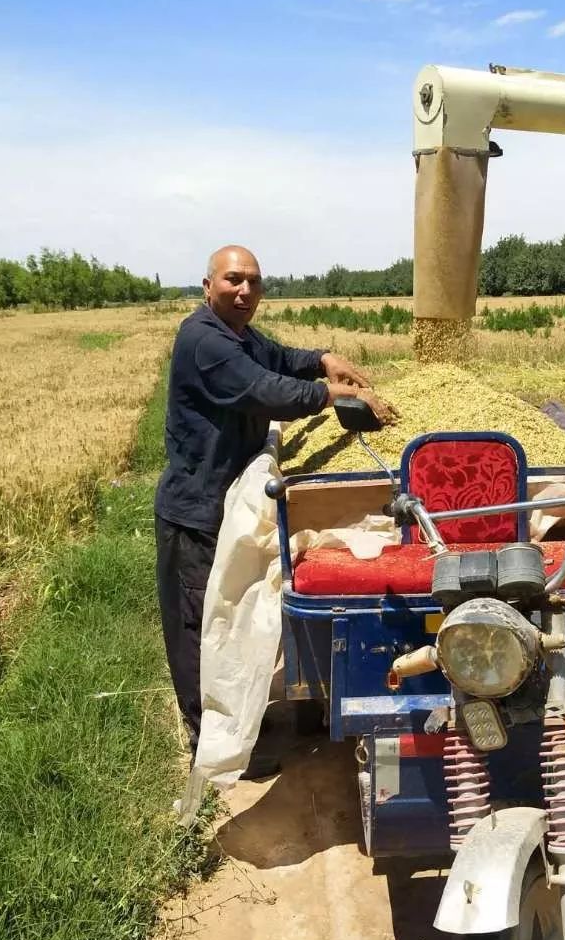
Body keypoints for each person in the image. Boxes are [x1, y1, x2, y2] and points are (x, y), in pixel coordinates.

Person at [155, 244, 392, 763]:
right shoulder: (205, 340)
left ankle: (245, 719)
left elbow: (278, 361)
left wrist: (322, 358)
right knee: (202, 625)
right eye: (233, 280)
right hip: (195, 509)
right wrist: (334, 395)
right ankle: (211, 744)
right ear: (207, 285)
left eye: (254, 282)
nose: (244, 291)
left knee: (236, 616)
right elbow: (266, 390)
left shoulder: (238, 335)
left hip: (226, 499)